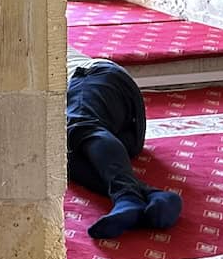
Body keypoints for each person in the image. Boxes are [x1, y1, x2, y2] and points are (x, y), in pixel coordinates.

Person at [67, 56, 183, 240]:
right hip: (127, 131)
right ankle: (152, 196)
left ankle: (127, 197)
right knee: (60, 159)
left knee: (81, 126)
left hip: (92, 76)